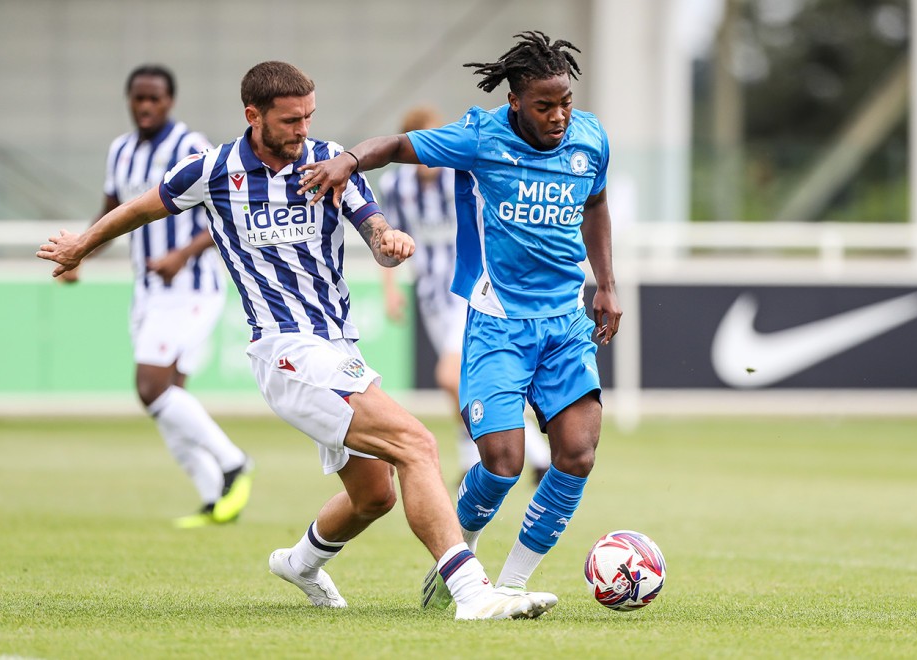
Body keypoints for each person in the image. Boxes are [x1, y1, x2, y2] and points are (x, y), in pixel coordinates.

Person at [38, 60, 557, 621]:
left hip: (338, 347)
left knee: (374, 495)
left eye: (309, 116)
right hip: (285, 351)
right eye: (290, 120)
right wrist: (82, 245)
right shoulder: (212, 170)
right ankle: (472, 593)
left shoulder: (327, 162)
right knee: (418, 444)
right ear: (253, 116)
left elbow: (373, 225)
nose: (303, 129)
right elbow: (140, 207)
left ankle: (299, 561)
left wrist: (390, 240)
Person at [296, 31, 621, 610]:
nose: (559, 116)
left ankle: (513, 585)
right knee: (501, 464)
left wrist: (607, 286)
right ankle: (460, 553)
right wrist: (347, 160)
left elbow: (595, 204)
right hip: (498, 323)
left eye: (565, 102)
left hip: (566, 321)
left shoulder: (590, 139)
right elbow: (397, 145)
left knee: (577, 454)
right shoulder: (480, 137)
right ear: (516, 101)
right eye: (545, 105)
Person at [59, 64, 253, 529]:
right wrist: (81, 253)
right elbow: (113, 212)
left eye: (155, 99)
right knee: (168, 399)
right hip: (147, 292)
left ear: (170, 102)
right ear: (129, 100)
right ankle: (214, 500)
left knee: (151, 387)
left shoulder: (190, 145)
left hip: (191, 288)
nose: (145, 106)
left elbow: (231, 208)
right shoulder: (120, 151)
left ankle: (233, 464)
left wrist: (182, 254)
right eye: (138, 98)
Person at [379, 105, 551, 483]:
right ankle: (471, 455)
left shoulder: (462, 175)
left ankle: (535, 453)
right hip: (431, 295)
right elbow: (387, 238)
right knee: (463, 381)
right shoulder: (396, 187)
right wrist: (391, 289)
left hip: (470, 287)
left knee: (450, 376)